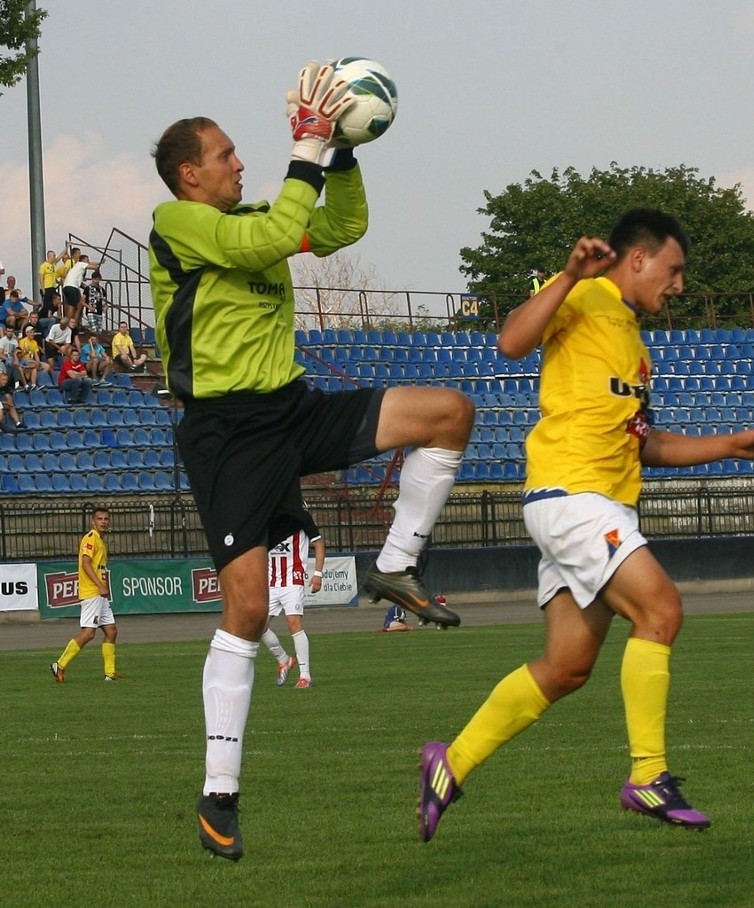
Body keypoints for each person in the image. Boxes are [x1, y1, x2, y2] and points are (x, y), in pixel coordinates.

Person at [148, 60, 474, 861]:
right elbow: (264, 237)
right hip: (227, 433)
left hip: (291, 407)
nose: (239, 163)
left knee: (450, 413)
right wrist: (306, 149)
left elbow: (337, 231)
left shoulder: (254, 215)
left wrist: (344, 155)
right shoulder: (176, 221)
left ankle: (394, 566)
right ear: (190, 174)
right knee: (248, 611)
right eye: (226, 155)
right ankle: (219, 792)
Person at [416, 208, 754, 843]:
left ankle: (449, 765)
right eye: (674, 270)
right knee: (661, 612)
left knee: (565, 669)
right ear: (638, 258)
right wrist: (566, 275)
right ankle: (649, 775)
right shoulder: (586, 293)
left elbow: (645, 447)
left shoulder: (635, 348)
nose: (678, 285)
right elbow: (510, 342)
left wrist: (732, 442)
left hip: (592, 505)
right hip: (574, 497)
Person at [51, 507, 122, 683]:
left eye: (106, 518)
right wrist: (100, 585)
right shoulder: (90, 539)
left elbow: (99, 568)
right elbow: (85, 563)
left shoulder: (100, 540)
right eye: (100, 519)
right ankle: (60, 664)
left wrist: (104, 587)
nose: (103, 521)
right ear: (93, 521)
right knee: (89, 633)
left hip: (100, 594)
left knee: (111, 631)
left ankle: (110, 673)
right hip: (92, 592)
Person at [261, 508, 325, 689]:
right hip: (271, 581)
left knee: (294, 624)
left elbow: (319, 543)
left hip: (293, 579)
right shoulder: (265, 516)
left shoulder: (300, 516)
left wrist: (318, 573)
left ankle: (305, 676)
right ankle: (284, 660)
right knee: (258, 627)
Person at [61, 248, 102, 319]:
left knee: (79, 304)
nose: (88, 262)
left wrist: (99, 263)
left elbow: (91, 264)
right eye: (87, 260)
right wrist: (97, 266)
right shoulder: (80, 264)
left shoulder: (78, 267)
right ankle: (69, 322)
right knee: (72, 306)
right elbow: (92, 266)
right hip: (71, 287)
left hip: (71, 287)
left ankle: (75, 322)